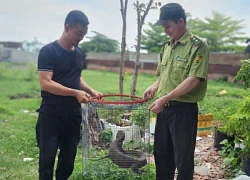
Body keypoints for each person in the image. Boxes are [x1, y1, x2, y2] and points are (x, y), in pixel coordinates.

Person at [143, 3, 209, 180]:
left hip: (183, 111)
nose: (165, 31)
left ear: (181, 21)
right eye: (164, 27)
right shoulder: (166, 47)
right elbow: (163, 75)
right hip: (164, 109)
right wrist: (155, 87)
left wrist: (165, 97)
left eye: (168, 26)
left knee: (183, 159)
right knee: (162, 155)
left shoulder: (198, 46)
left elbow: (194, 79)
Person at [36, 10, 102, 180]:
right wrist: (74, 93)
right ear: (67, 27)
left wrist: (90, 91)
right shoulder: (48, 51)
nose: (81, 38)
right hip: (51, 115)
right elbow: (46, 82)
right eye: (79, 33)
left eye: (84, 34)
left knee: (68, 160)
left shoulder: (79, 53)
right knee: (47, 159)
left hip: (73, 115)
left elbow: (76, 77)